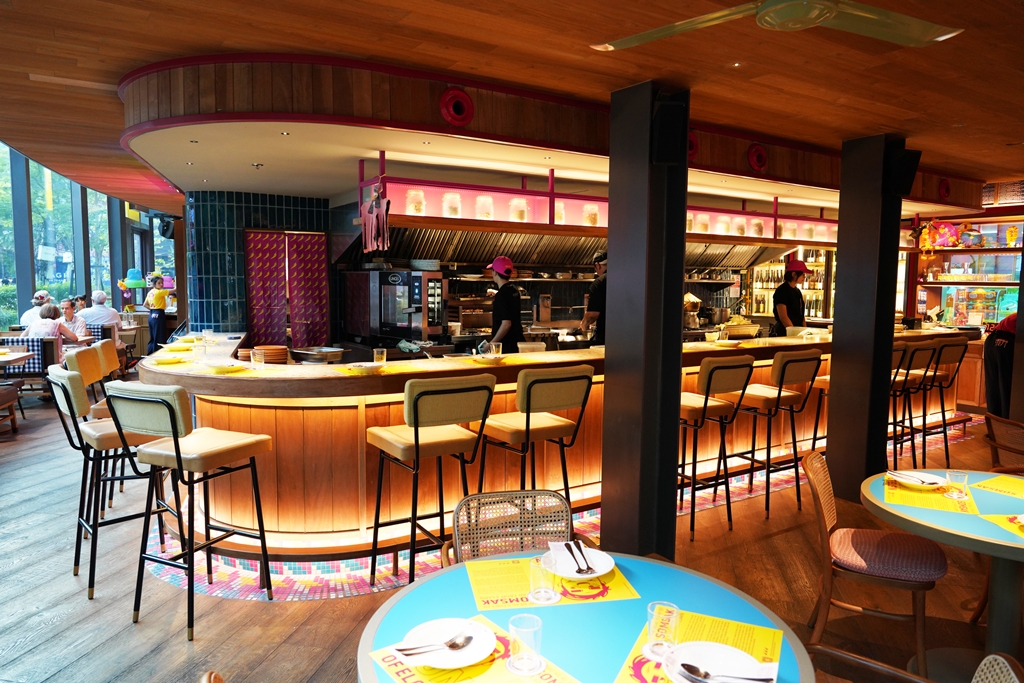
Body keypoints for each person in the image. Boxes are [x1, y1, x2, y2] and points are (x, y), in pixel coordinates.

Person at [482, 256, 525, 354]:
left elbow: (506, 324)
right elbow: (507, 298)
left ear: (495, 273)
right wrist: (497, 293)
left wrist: (491, 344)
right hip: (517, 343)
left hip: (506, 347)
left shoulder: (501, 295)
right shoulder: (514, 290)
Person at [985, 312, 1017, 418]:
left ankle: (994, 423)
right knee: (1007, 385)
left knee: (993, 384)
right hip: (1007, 341)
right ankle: (1008, 422)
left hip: (992, 340)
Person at [771, 260, 811, 337]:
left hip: (797, 331)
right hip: (784, 332)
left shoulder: (797, 291)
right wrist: (793, 332)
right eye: (802, 274)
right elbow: (783, 317)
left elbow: (801, 314)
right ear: (793, 274)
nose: (804, 277)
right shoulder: (782, 291)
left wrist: (804, 331)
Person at [579, 250, 607, 346]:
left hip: (606, 338)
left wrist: (584, 324)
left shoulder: (599, 283)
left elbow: (592, 315)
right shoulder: (626, 278)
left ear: (597, 265)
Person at [144, 275, 174, 354]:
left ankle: (150, 353)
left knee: (153, 336)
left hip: (151, 314)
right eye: (159, 283)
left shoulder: (150, 292)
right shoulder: (159, 292)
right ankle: (158, 353)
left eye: (162, 282)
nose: (161, 284)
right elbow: (173, 291)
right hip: (159, 314)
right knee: (159, 336)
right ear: (154, 284)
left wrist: (153, 309)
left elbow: (145, 304)